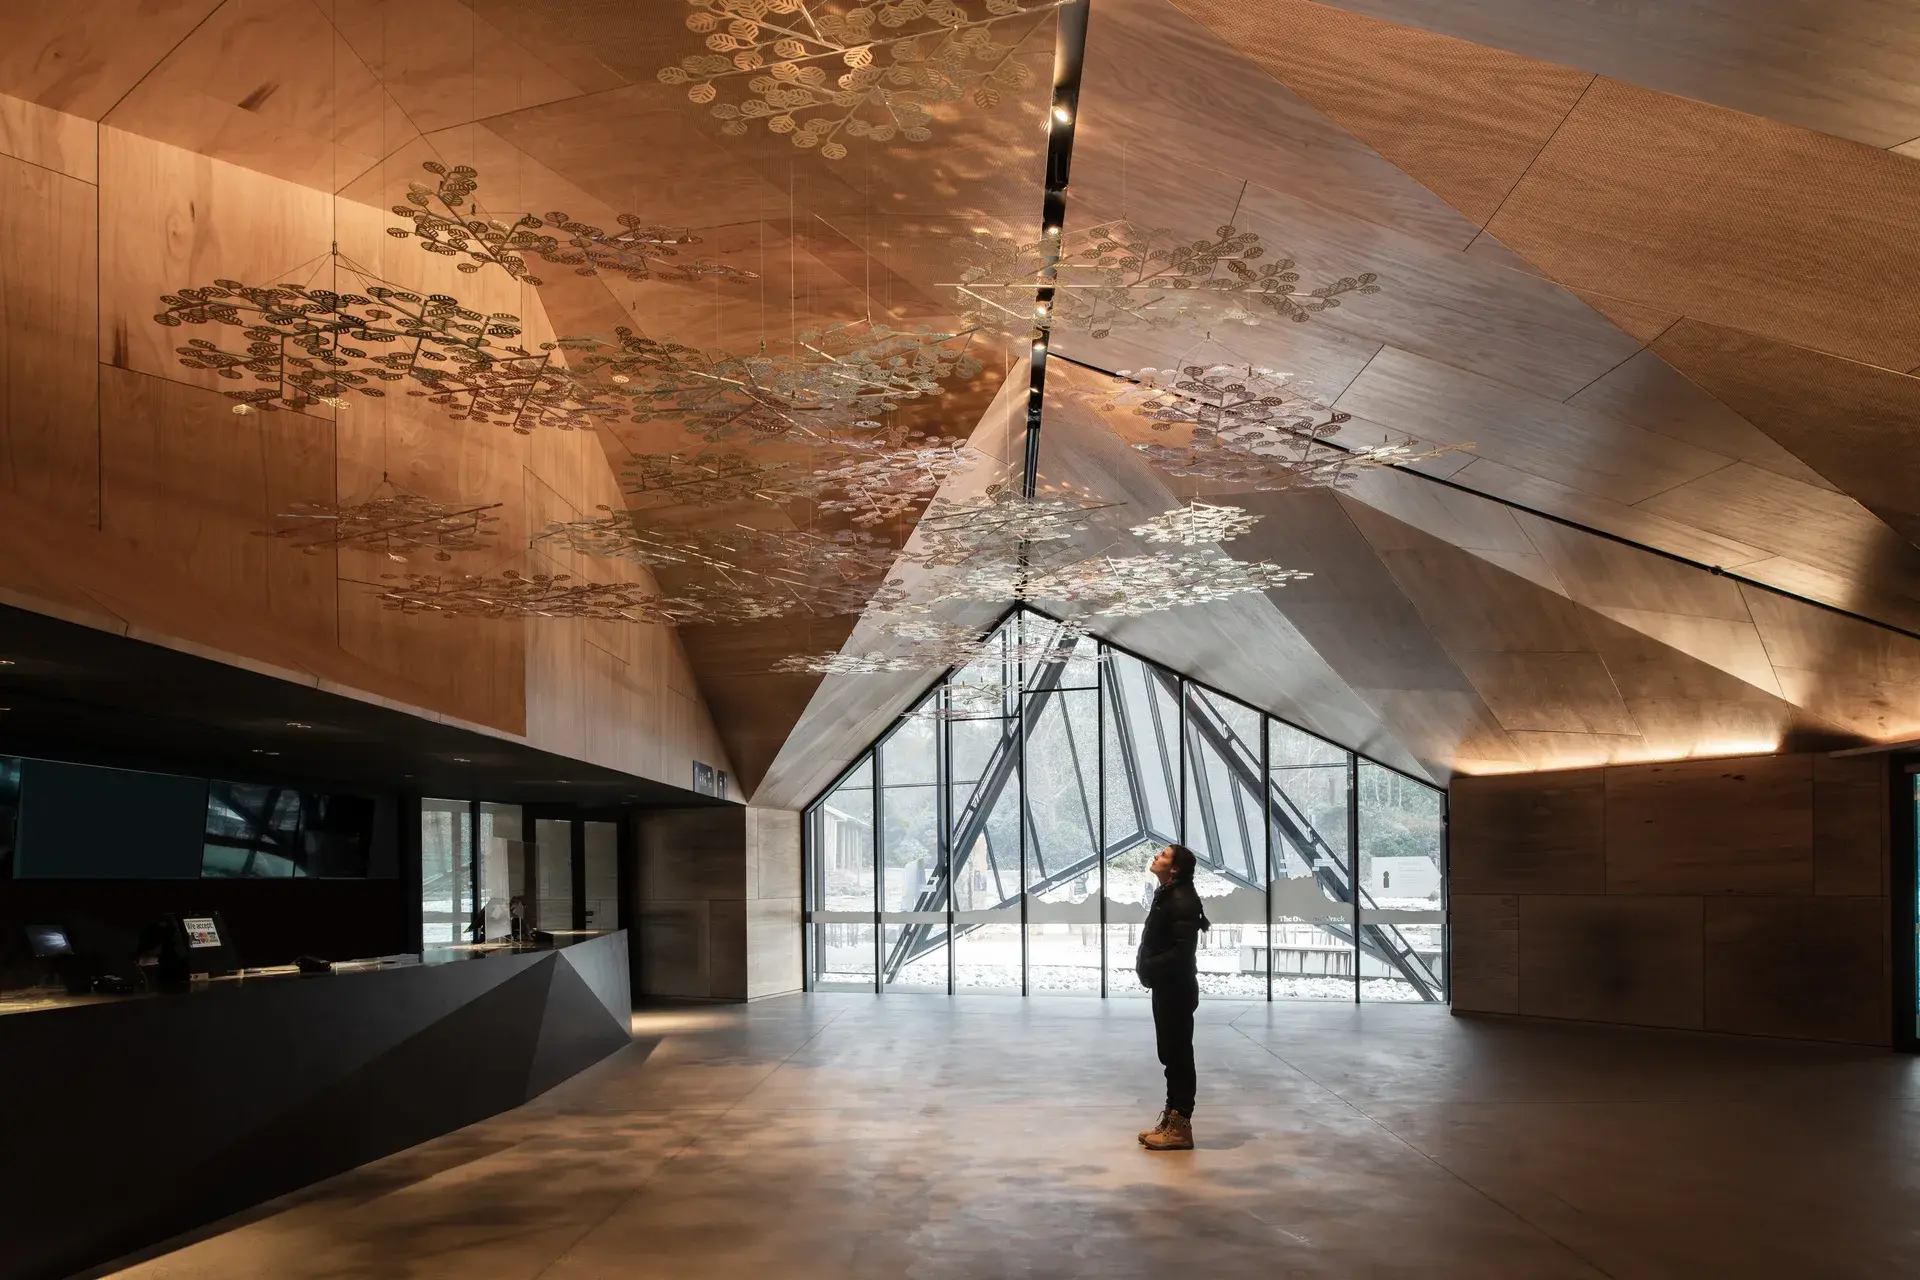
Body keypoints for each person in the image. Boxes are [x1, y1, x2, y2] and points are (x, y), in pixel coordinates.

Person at [1134, 843, 1207, 1151]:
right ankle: (1171, 1118)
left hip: (1175, 988)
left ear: (1174, 868)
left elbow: (1181, 952)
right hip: (1167, 986)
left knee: (1178, 1057)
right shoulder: (1168, 893)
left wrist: (1148, 965)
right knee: (1170, 1054)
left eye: (1163, 856)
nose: (1156, 857)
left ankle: (1180, 1127)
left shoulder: (1182, 899)